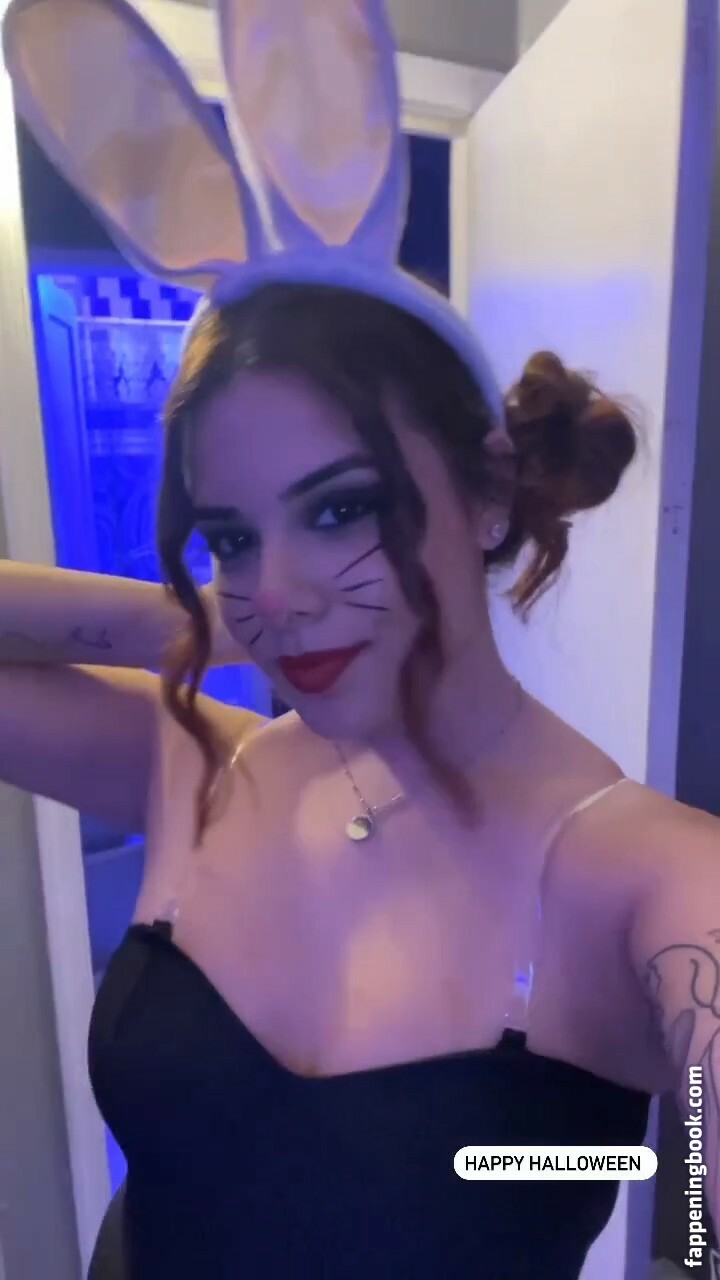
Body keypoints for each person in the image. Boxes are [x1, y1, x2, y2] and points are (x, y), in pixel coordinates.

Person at [2, 0, 719, 1276]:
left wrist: (660, 1190)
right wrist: (200, 622)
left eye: (339, 508)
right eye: (232, 533)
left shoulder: (648, 878)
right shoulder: (197, 766)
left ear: (489, 489)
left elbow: (694, 1184)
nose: (275, 589)